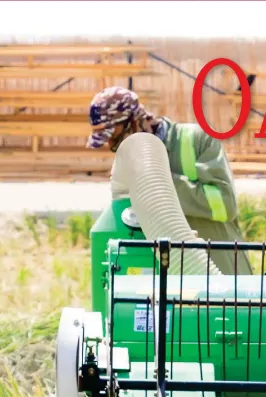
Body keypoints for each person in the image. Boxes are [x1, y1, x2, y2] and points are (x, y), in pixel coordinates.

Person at [87, 86, 252, 275]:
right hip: (167, 285)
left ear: (135, 121)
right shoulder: (131, 165)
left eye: (113, 137)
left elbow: (224, 205)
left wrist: (154, 179)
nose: (113, 146)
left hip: (221, 281)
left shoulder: (197, 140)